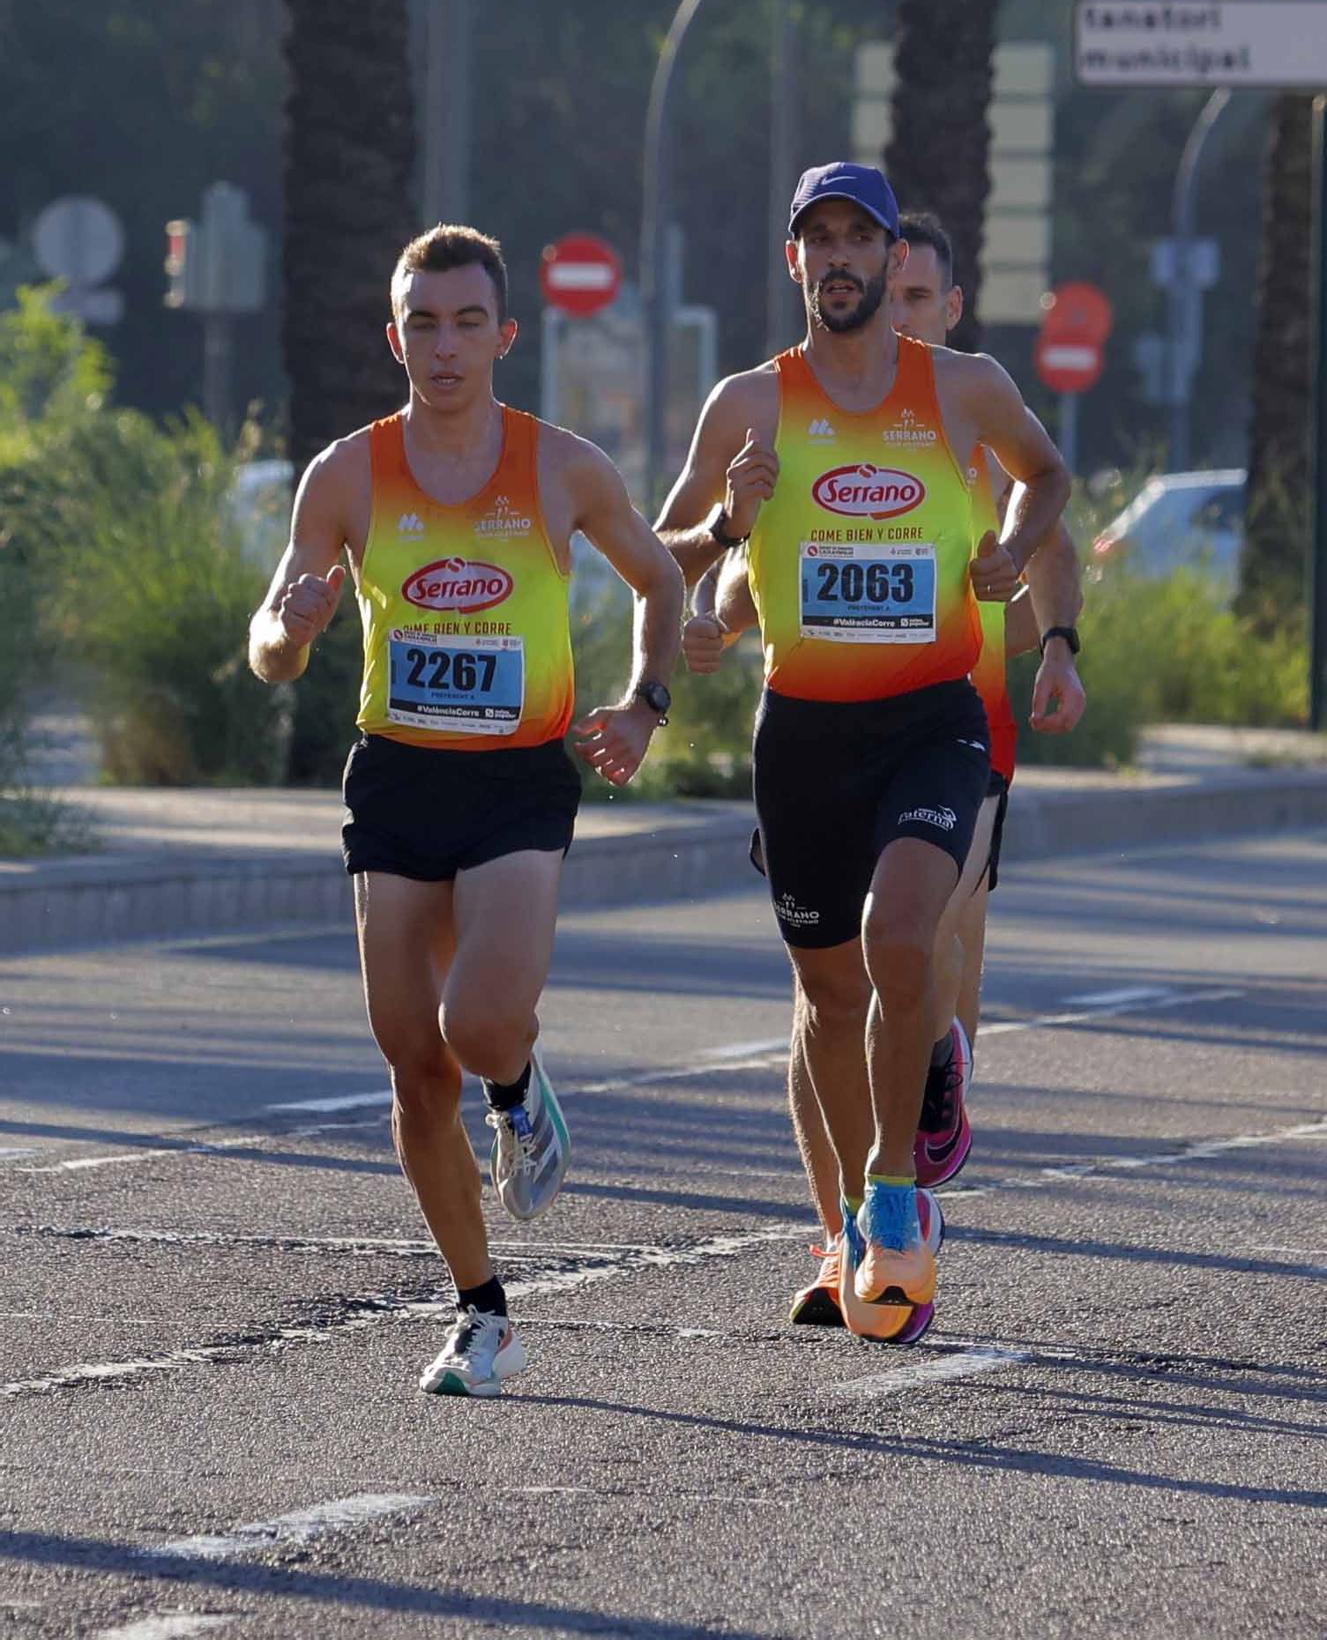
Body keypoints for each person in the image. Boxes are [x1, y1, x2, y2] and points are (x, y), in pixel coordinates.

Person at [249, 224, 682, 1397]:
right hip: (396, 772)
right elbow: (272, 649)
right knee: (409, 1064)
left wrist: (644, 701)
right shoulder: (344, 473)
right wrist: (290, 627)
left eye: (466, 322)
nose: (444, 347)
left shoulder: (561, 466)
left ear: (505, 334)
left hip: (515, 776)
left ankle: (519, 1084)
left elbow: (661, 578)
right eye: (423, 324)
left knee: (479, 1020)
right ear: (395, 337)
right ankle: (481, 1309)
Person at [656, 162, 1070, 1344]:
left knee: (900, 937)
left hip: (933, 716)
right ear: (794, 262)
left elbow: (1047, 474)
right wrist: (729, 524)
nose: (838, 258)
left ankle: (896, 1190)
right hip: (804, 732)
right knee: (828, 993)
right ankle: (842, 1217)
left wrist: (1014, 549)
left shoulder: (965, 386)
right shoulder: (748, 403)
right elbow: (661, 554)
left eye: (859, 238)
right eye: (817, 240)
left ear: (896, 261)